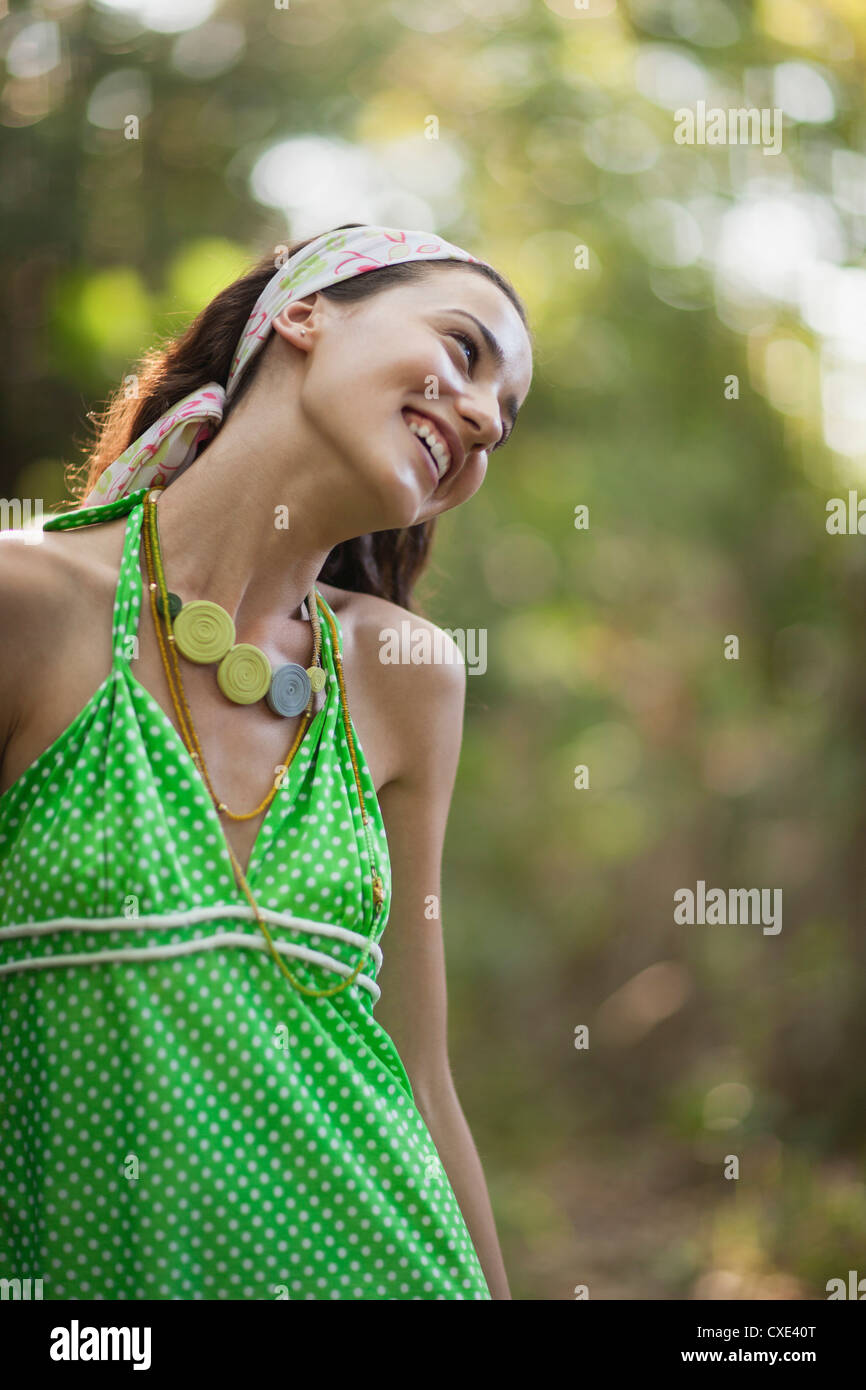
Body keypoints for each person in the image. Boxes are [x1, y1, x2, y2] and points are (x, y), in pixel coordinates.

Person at [0, 223, 533, 1300]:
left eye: (500, 421)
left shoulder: (404, 675)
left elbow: (419, 1071)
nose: (479, 417)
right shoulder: (28, 606)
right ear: (303, 313)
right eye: (464, 350)